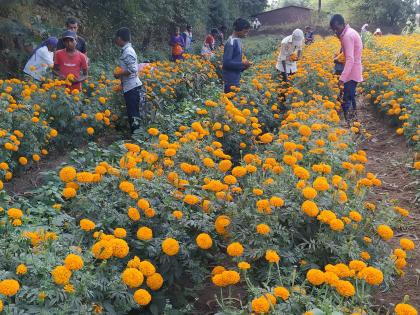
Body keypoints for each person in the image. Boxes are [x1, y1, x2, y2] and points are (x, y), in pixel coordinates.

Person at [330, 14, 363, 121]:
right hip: (354, 70)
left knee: (347, 99)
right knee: (351, 96)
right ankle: (354, 120)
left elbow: (350, 59)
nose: (336, 31)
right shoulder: (350, 32)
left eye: (337, 28)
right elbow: (345, 53)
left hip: (351, 72)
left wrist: (342, 78)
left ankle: (349, 124)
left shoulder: (347, 36)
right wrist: (338, 57)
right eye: (334, 29)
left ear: (343, 24)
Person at [114, 27, 145, 134]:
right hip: (130, 87)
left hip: (132, 87)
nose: (116, 40)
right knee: (133, 113)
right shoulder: (126, 50)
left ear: (119, 38)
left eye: (116, 38)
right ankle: (136, 135)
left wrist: (119, 73)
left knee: (134, 114)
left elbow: (133, 69)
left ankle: (137, 137)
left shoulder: (128, 51)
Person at [222, 18, 252, 93]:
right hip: (230, 82)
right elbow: (226, 63)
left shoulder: (237, 40)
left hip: (235, 79)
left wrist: (244, 67)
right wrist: (243, 63)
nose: (246, 34)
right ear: (239, 29)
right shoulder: (231, 42)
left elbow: (234, 62)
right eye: (245, 31)